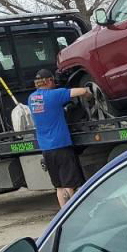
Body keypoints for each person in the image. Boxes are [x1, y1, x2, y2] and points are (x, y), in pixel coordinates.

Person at [28, 69, 90, 207]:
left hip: (46, 149)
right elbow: (80, 91)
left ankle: (63, 212)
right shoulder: (54, 95)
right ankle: (75, 211)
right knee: (70, 185)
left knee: (59, 186)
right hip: (61, 146)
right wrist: (88, 92)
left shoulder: (31, 98)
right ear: (49, 81)